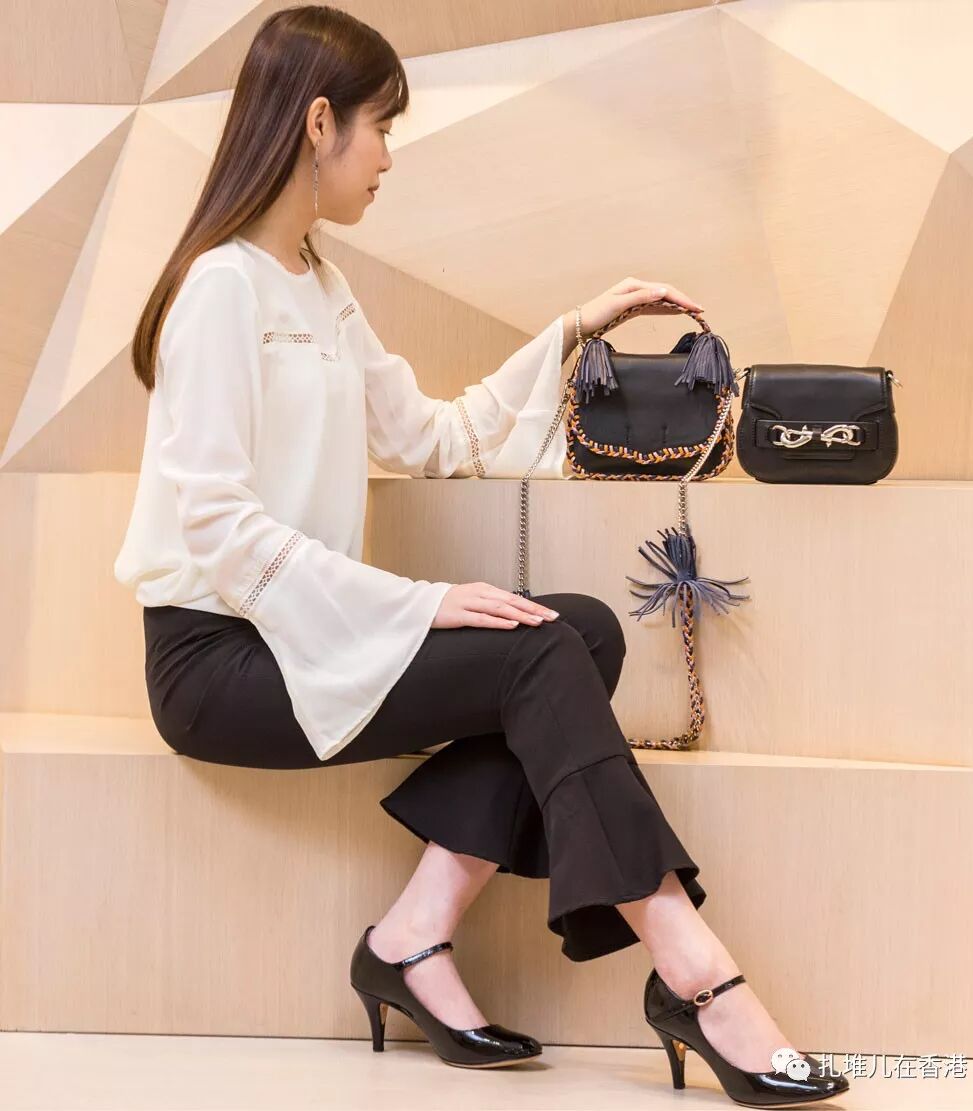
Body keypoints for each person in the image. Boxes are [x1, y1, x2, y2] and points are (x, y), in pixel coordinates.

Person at [115, 6, 848, 1105]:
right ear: (318, 124)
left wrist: (573, 329)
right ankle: (693, 968)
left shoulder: (317, 283)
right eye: (380, 127)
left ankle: (411, 937)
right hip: (217, 661)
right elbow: (217, 527)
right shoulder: (219, 287)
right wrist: (416, 604)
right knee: (541, 650)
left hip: (302, 637)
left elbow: (433, 437)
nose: (387, 156)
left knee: (577, 631)